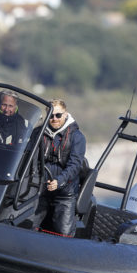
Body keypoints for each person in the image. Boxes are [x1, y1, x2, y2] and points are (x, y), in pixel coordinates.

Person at [31, 99, 86, 237]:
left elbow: (75, 165)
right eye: (51, 115)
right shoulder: (38, 133)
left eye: (58, 115)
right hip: (40, 189)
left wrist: (59, 181)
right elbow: (30, 158)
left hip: (65, 192)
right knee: (27, 224)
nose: (54, 119)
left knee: (64, 234)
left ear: (65, 114)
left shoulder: (77, 137)